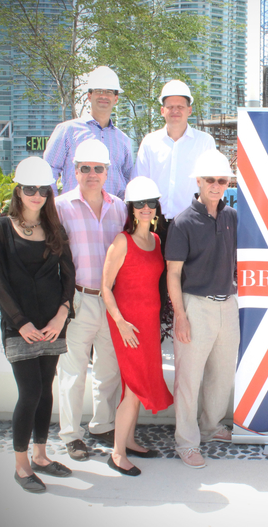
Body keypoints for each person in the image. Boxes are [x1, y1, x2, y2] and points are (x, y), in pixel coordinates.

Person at [0, 156, 75, 493]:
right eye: (30, 189)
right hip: (20, 325)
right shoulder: (1, 228)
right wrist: (20, 322)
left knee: (46, 390)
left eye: (42, 189)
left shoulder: (55, 229)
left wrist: (62, 313)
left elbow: (68, 275)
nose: (37, 195)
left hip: (52, 323)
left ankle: (41, 456)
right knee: (31, 393)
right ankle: (21, 465)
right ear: (18, 191)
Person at [165, 149, 239, 469]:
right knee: (189, 379)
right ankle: (186, 441)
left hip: (228, 304)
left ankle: (210, 427)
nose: (216, 185)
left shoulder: (232, 217)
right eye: (210, 179)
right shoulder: (183, 222)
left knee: (222, 375)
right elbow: (172, 273)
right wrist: (180, 316)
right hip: (195, 306)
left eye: (222, 180)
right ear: (198, 180)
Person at [55, 138, 128, 461]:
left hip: (112, 302)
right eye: (85, 169)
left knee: (109, 369)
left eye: (98, 169)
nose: (92, 174)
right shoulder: (60, 206)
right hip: (79, 299)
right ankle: (71, 435)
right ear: (75, 171)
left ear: (107, 171)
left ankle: (102, 425)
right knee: (72, 372)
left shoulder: (120, 207)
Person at [101, 176, 174, 476]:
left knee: (139, 382)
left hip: (148, 322)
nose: (146, 208)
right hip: (127, 323)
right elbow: (106, 287)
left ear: (156, 207)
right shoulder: (122, 241)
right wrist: (121, 323)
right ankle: (117, 454)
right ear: (131, 208)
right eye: (140, 204)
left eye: (151, 203)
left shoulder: (156, 241)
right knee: (133, 387)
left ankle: (129, 440)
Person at [132, 79, 216, 315]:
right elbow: (140, 184)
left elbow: (211, 188)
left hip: (191, 226)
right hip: (154, 225)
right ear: (162, 111)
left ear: (190, 110)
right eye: (170, 106)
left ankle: (189, 334)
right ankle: (156, 334)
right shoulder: (150, 143)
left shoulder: (205, 142)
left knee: (190, 283)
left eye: (181, 106)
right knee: (153, 283)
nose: (175, 111)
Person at [44, 66, 134, 199]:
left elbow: (128, 178)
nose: (103, 95)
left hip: (114, 214)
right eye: (98, 91)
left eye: (108, 92)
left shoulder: (123, 139)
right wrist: (53, 207)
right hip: (74, 214)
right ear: (89, 96)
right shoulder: (68, 131)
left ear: (115, 99)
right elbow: (48, 170)